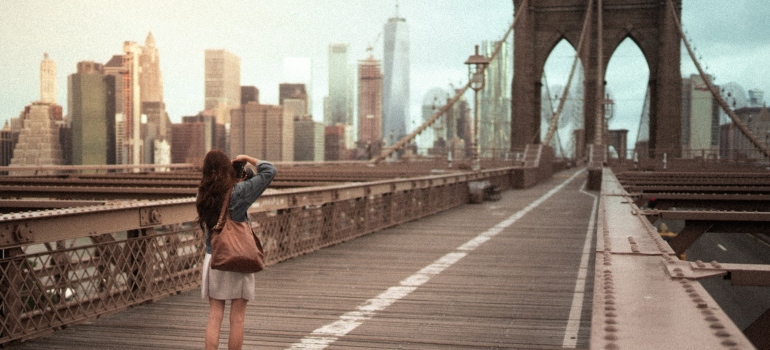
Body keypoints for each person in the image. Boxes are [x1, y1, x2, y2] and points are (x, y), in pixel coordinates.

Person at [196, 150, 276, 350]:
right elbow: (269, 171)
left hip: (214, 258)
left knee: (215, 316)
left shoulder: (203, 193)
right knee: (237, 318)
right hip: (237, 257)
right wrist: (247, 159)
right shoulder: (238, 193)